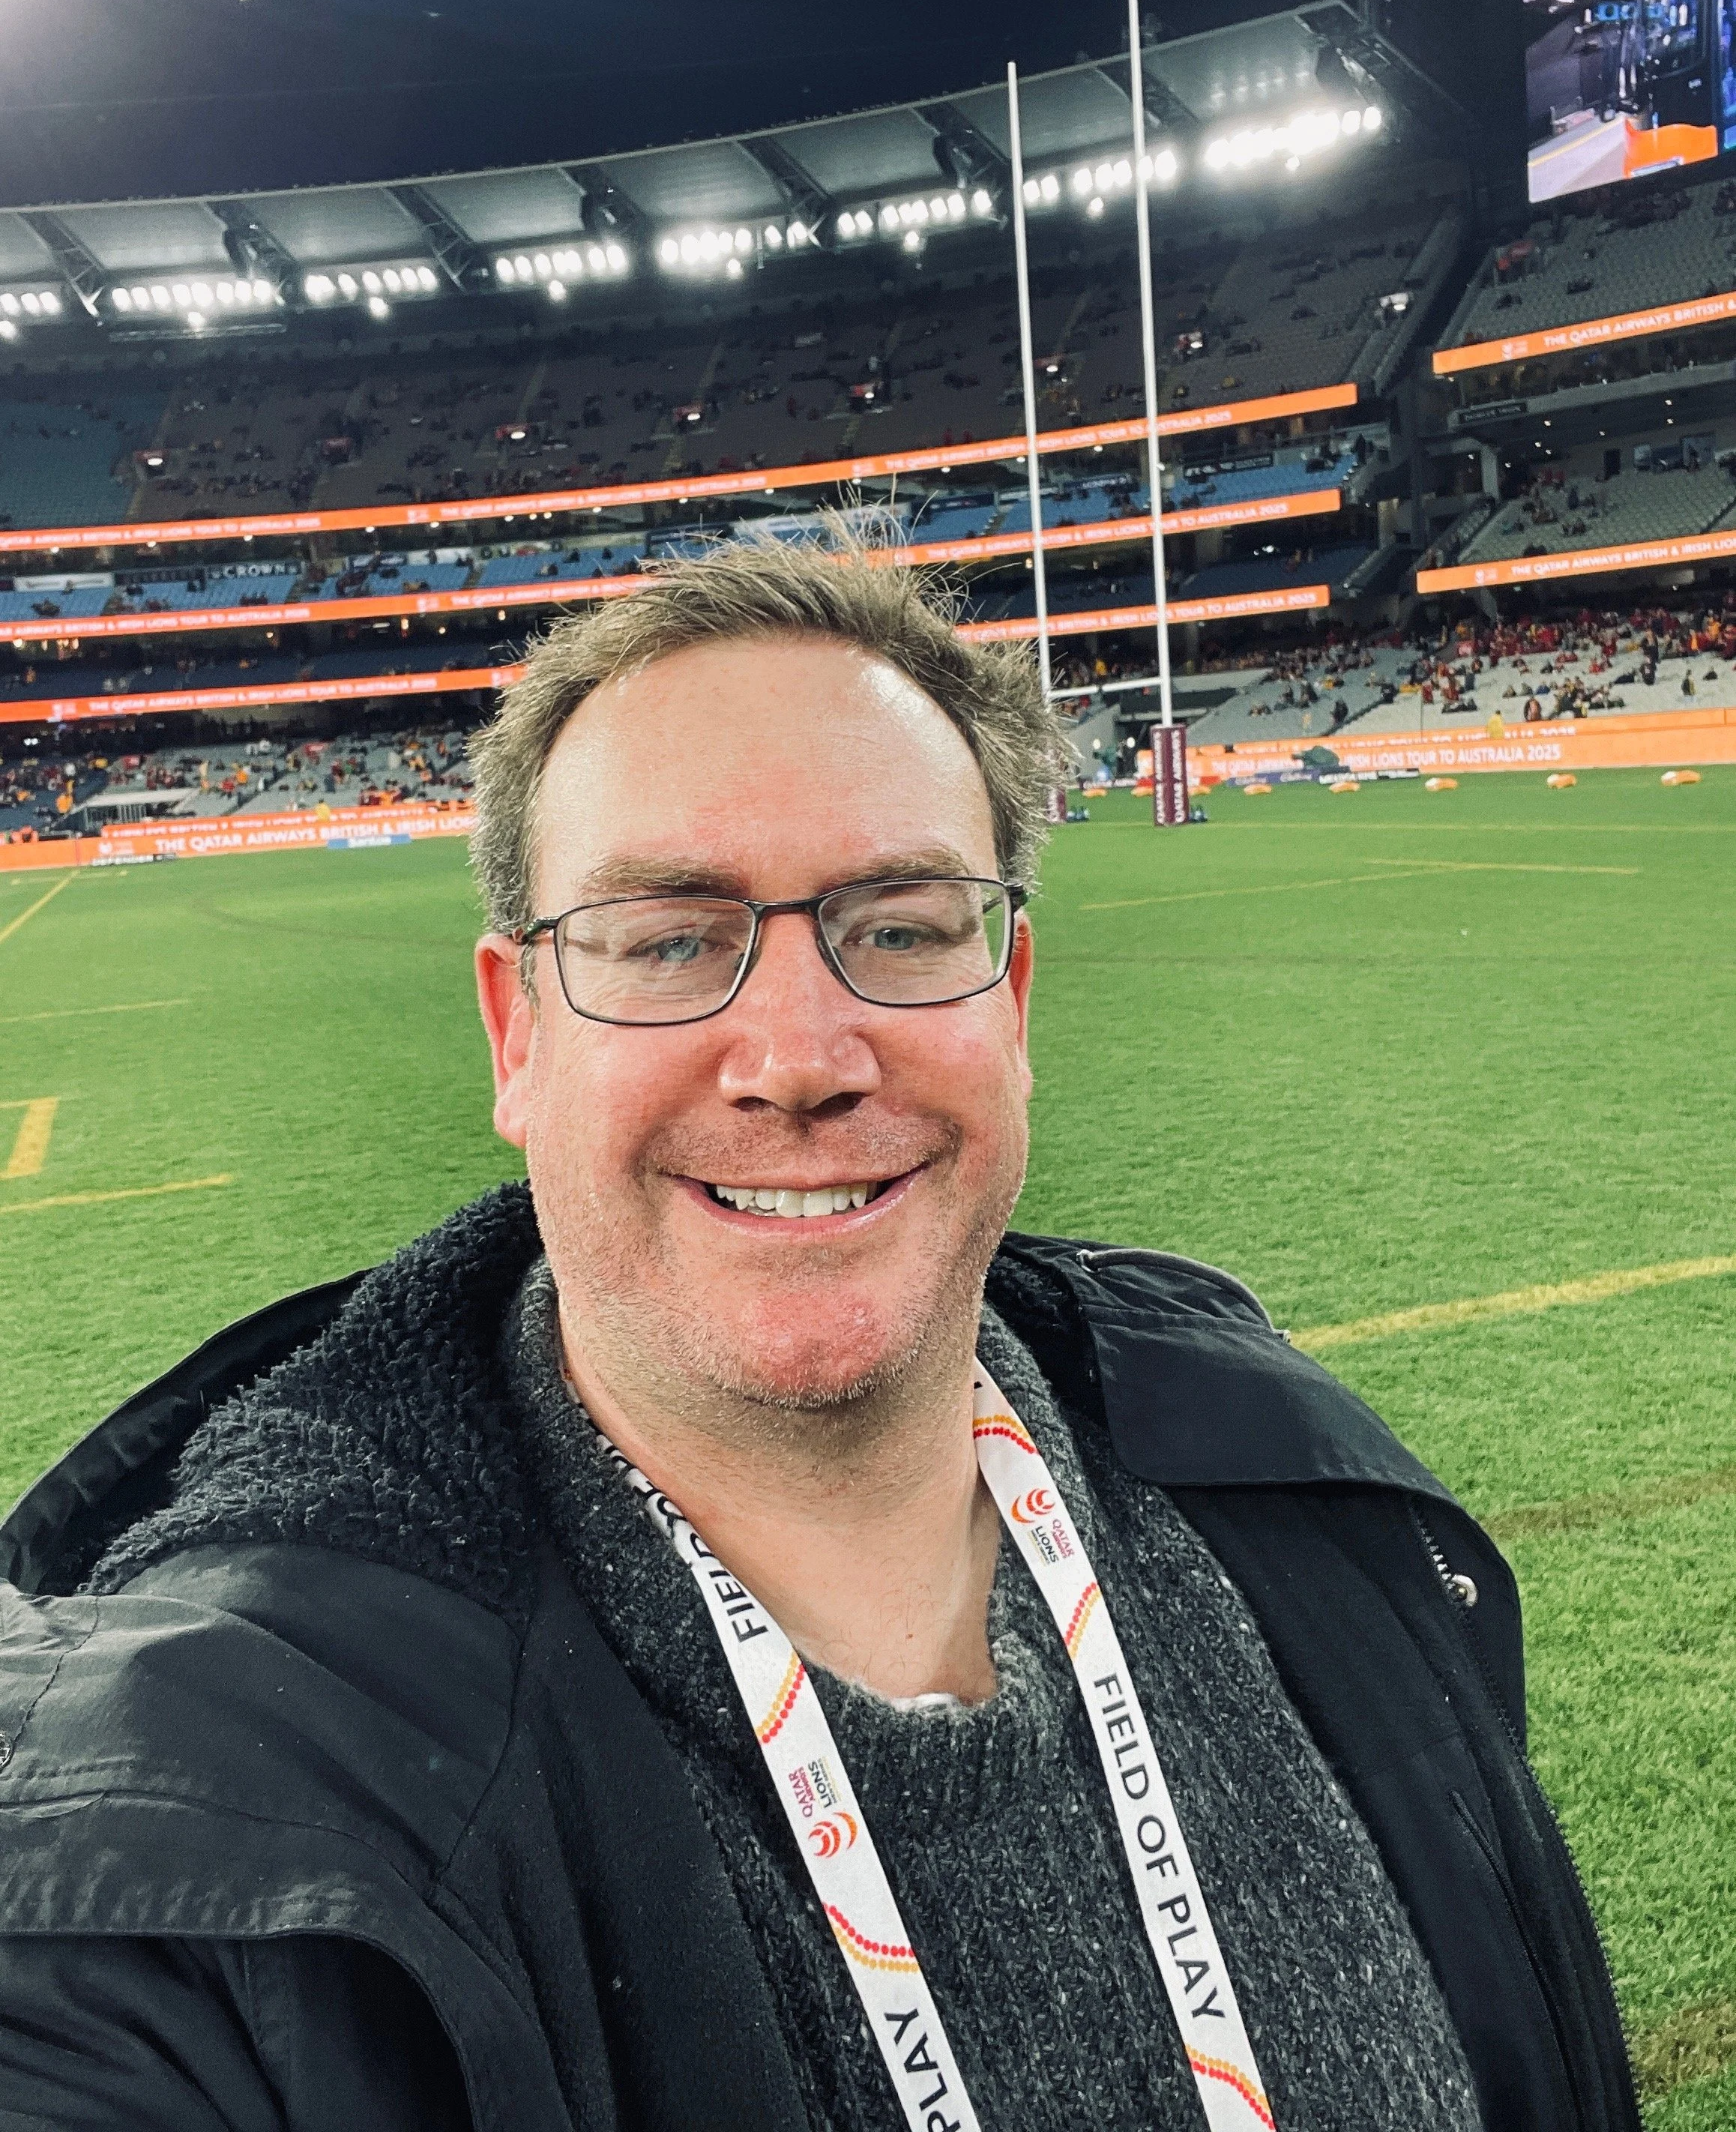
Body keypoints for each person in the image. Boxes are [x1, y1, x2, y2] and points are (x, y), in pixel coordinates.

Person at [0, 543, 1639, 2132]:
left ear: (1014, 999)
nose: (797, 1055)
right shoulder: (227, 1797)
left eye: (906, 925)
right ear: (516, 1035)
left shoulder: (1319, 1519)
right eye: (666, 940)